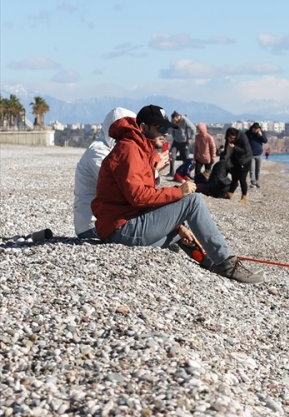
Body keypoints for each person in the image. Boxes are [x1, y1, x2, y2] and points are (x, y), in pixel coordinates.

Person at [91, 104, 263, 284]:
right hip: (120, 230)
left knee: (179, 233)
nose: (166, 133)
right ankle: (226, 263)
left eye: (167, 128)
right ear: (143, 127)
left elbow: (144, 197)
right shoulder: (129, 149)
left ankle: (210, 261)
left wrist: (177, 226)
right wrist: (179, 191)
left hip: (121, 227)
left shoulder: (139, 148)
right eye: (160, 128)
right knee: (193, 201)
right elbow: (138, 197)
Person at [74, 107, 142, 238]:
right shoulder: (98, 152)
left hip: (106, 221)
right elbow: (125, 188)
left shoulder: (111, 149)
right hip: (93, 226)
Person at [222, 126, 253, 203]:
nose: (230, 140)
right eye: (229, 138)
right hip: (235, 160)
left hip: (245, 160)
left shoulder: (243, 137)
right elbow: (226, 149)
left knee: (242, 179)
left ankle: (244, 197)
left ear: (235, 135)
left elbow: (246, 151)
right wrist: (224, 158)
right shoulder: (228, 138)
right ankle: (230, 194)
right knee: (234, 177)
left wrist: (234, 147)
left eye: (232, 138)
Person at [168, 111, 196, 175]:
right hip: (176, 141)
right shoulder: (173, 121)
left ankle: (185, 172)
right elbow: (171, 129)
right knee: (171, 156)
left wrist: (190, 138)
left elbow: (193, 129)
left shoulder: (185, 120)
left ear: (177, 117)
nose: (174, 121)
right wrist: (173, 135)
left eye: (174, 119)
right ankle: (171, 172)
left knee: (185, 158)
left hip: (184, 142)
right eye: (172, 120)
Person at [245, 122, 268, 188]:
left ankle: (256, 181)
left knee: (258, 169)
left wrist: (260, 135)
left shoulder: (261, 133)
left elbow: (265, 141)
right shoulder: (248, 133)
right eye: (254, 128)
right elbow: (243, 141)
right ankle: (253, 183)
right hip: (250, 155)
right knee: (252, 170)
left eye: (257, 129)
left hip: (259, 154)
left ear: (259, 129)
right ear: (252, 128)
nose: (255, 130)